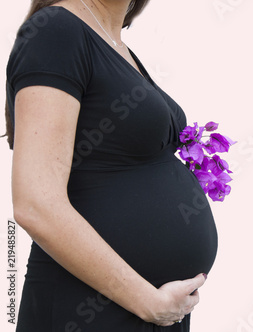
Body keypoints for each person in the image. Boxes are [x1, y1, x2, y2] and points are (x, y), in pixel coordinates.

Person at [4, 0, 218, 330]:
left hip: (148, 309)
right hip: (87, 309)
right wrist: (148, 303)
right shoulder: (56, 31)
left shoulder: (112, 42)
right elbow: (36, 204)